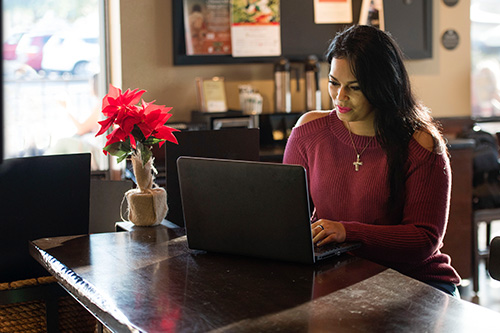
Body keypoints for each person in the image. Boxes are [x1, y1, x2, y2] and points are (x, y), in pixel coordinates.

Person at [283, 25, 461, 297]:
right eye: (334, 82)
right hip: (339, 276)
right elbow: (287, 221)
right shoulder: (308, 131)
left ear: (383, 86)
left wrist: (347, 232)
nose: (340, 97)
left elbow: (424, 239)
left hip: (416, 282)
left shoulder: (421, 144)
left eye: (354, 88)